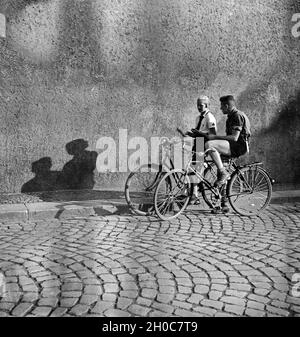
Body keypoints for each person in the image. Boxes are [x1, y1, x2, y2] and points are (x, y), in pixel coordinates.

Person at [205, 95, 251, 211]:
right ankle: (224, 204)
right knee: (222, 175)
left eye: (222, 106)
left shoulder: (237, 116)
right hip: (231, 145)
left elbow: (235, 137)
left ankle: (222, 172)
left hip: (238, 146)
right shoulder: (230, 117)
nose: (221, 109)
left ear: (227, 106)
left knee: (210, 145)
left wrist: (214, 137)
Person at [185, 95, 217, 204]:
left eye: (201, 105)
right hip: (197, 143)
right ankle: (194, 193)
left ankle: (194, 194)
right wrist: (191, 134)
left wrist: (198, 133)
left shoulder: (210, 118)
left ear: (207, 105)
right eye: (197, 105)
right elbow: (198, 133)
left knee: (196, 169)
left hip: (204, 144)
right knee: (192, 168)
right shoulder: (198, 118)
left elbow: (212, 135)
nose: (199, 107)